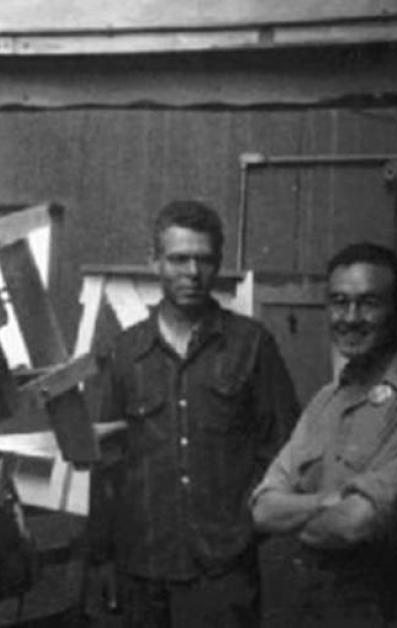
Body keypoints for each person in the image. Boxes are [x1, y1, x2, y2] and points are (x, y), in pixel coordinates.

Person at [92, 200, 300, 627]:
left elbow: (286, 450)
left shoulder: (252, 345)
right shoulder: (125, 352)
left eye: (203, 260)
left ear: (218, 264)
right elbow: (106, 462)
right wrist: (100, 557)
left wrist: (241, 531)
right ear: (155, 263)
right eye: (178, 258)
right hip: (140, 567)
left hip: (223, 575)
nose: (191, 272)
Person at [251, 242, 397, 627]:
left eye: (368, 303)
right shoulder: (325, 400)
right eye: (338, 301)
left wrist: (299, 508)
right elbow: (263, 510)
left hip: (384, 609)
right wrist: (330, 500)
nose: (350, 317)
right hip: (312, 606)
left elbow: (355, 523)